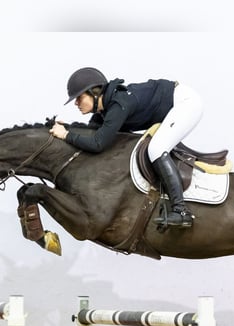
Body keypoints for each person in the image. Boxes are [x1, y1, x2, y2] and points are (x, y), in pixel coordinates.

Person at [50, 67, 203, 228]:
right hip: (176, 102)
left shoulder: (118, 105)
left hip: (186, 104)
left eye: (79, 97)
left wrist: (66, 135)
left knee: (156, 149)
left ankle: (181, 211)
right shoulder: (104, 110)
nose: (75, 103)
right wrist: (67, 129)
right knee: (155, 148)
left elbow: (97, 144)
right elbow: (93, 134)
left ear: (94, 93)